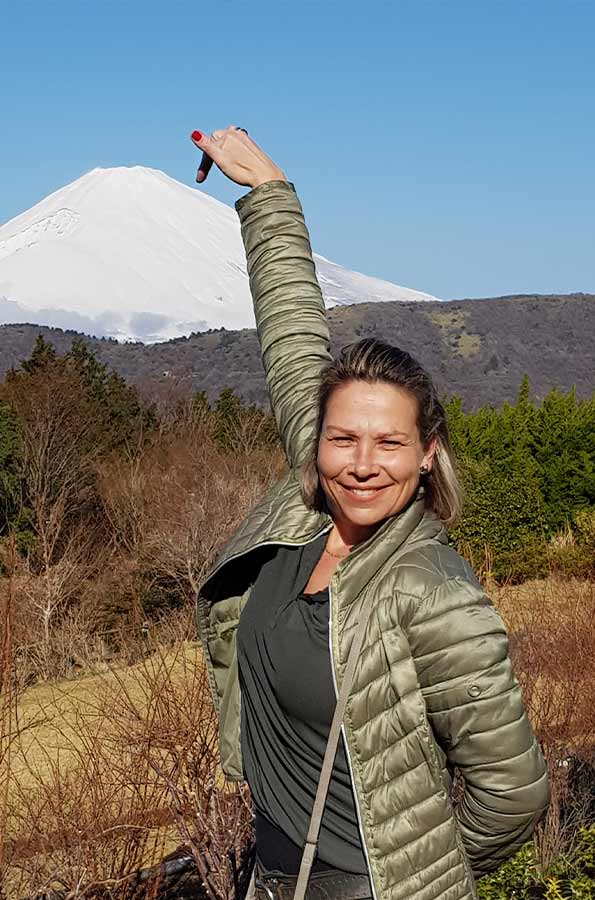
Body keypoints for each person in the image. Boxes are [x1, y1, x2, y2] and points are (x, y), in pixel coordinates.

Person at [191, 125, 550, 900]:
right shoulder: (306, 505)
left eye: (388, 443)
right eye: (342, 437)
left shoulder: (432, 592)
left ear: (426, 453)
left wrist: (414, 877)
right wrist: (267, 197)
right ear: (316, 439)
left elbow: (513, 794)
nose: (360, 463)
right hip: (272, 875)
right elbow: (292, 341)